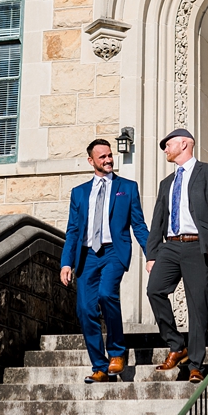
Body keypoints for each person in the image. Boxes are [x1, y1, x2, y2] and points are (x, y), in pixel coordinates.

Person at [61, 137, 149, 383]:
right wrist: (66, 263)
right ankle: (99, 366)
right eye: (103, 157)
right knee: (85, 309)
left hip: (113, 252)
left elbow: (139, 225)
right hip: (86, 256)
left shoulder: (127, 188)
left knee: (106, 294)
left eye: (110, 155)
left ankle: (118, 353)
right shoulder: (79, 193)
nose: (109, 160)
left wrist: (152, 253)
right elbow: (73, 231)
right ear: (91, 161)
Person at [145, 128, 208, 383]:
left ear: (184, 144)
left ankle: (195, 364)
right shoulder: (166, 183)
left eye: (168, 144)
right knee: (154, 290)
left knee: (197, 303)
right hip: (170, 246)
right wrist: (152, 253)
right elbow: (158, 219)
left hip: (196, 245)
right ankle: (176, 343)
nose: (165, 149)